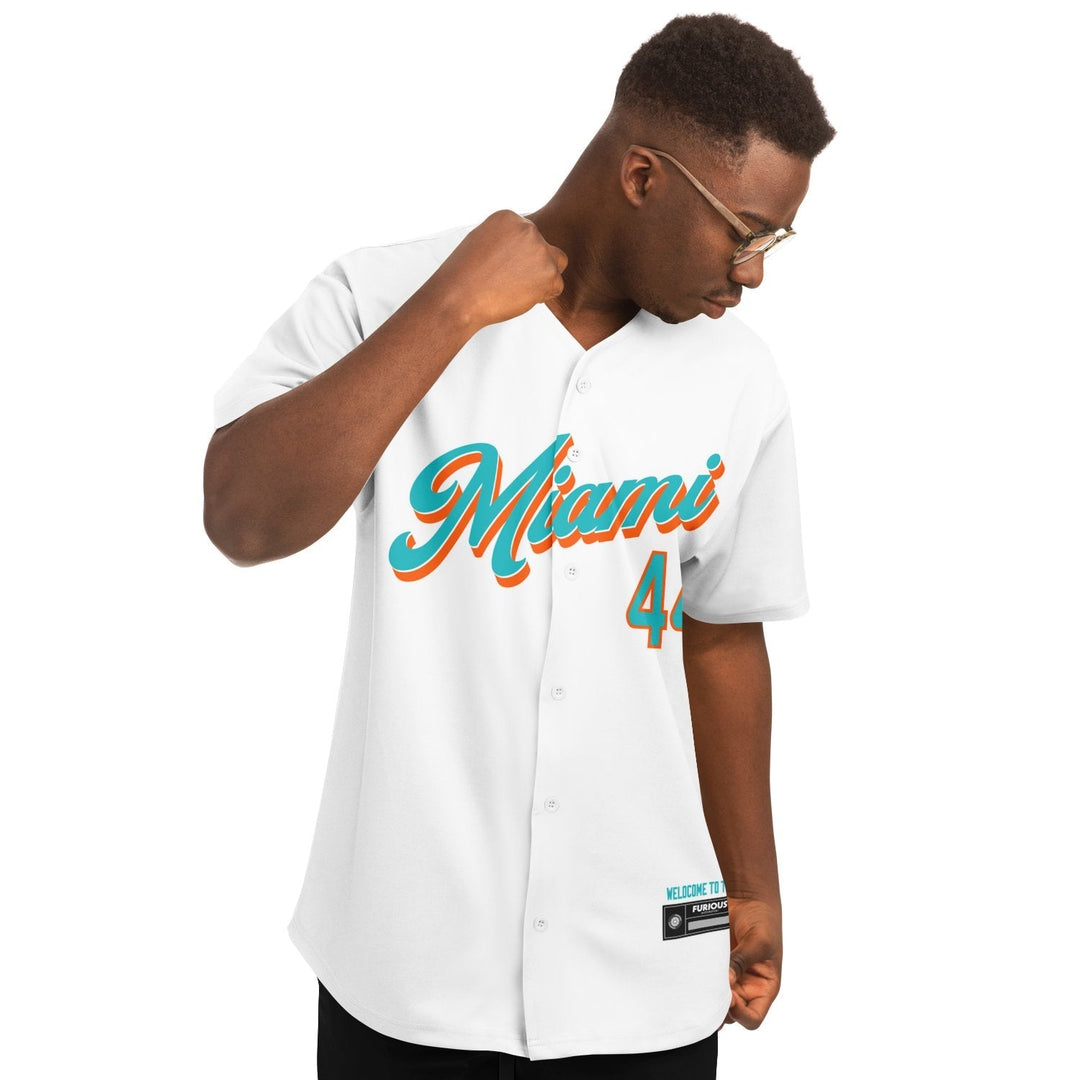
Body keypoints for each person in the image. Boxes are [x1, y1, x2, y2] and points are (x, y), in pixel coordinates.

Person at [204, 11, 834, 1079]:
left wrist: (755, 887)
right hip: (404, 973)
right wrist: (452, 308)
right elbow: (244, 517)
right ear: (643, 176)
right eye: (745, 231)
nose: (754, 272)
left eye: (772, 241)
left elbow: (723, 633)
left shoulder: (738, 377)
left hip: (644, 975)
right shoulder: (384, 293)